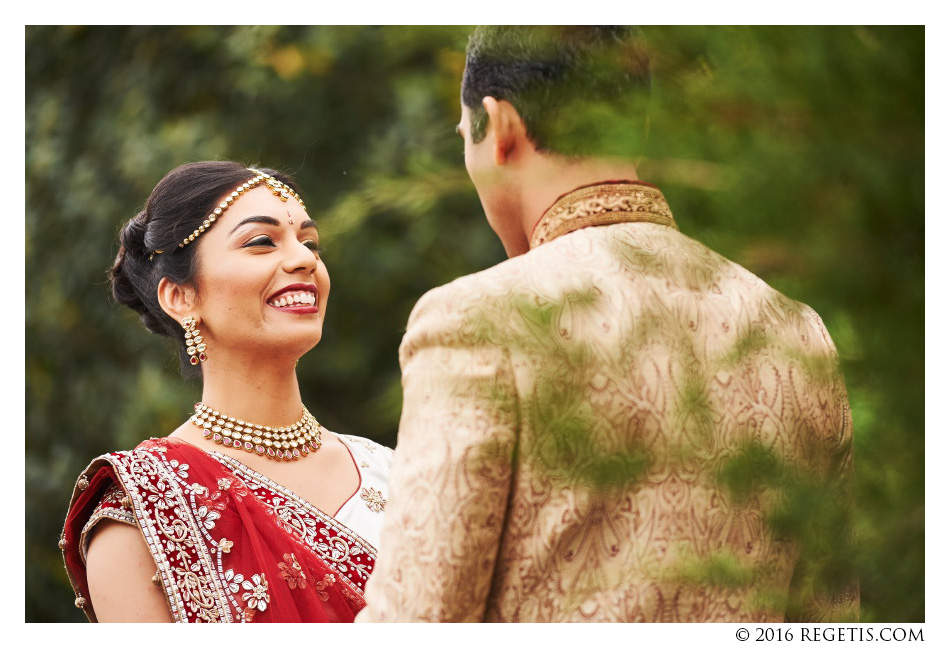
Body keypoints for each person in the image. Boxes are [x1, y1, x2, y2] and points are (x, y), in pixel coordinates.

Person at [358, 26, 857, 622]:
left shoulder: (478, 321)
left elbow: (417, 619)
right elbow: (833, 618)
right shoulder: (796, 329)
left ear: (501, 127)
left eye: (465, 137)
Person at [61, 161, 394, 623]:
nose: (304, 259)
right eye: (261, 242)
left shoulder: (398, 474)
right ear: (180, 297)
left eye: (311, 242)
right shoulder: (144, 507)